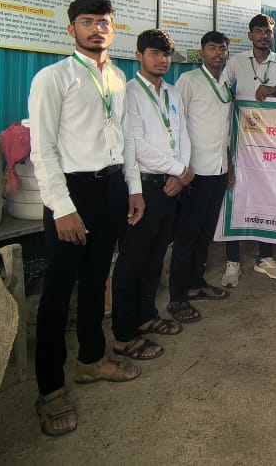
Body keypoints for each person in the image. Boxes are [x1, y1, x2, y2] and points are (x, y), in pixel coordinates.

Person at [28, 0, 144, 437]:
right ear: (71, 29)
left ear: (113, 28)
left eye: (104, 22)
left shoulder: (117, 77)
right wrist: (62, 208)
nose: (97, 28)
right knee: (58, 294)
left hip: (112, 188)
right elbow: (42, 150)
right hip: (73, 192)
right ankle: (50, 388)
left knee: (97, 282)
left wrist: (134, 188)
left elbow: (126, 138)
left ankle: (91, 361)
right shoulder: (53, 78)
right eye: (87, 21)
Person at [110, 30, 193, 362]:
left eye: (166, 54)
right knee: (132, 261)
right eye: (154, 53)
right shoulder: (129, 93)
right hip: (143, 187)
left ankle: (146, 316)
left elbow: (183, 135)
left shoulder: (172, 93)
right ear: (139, 55)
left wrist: (180, 175)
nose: (161, 60)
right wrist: (179, 169)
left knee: (156, 256)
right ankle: (124, 334)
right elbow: (135, 144)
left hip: (171, 184)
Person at [222, 13, 276, 285]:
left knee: (268, 194)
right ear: (250, 35)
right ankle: (232, 260)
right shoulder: (236, 62)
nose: (264, 36)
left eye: (269, 32)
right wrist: (231, 100)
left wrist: (275, 92)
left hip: (270, 142)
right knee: (234, 194)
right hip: (240, 140)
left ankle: (265, 257)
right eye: (259, 31)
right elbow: (221, 89)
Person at [167, 31, 234, 323]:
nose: (218, 53)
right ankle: (177, 297)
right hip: (194, 172)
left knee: (205, 234)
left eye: (222, 48)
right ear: (202, 52)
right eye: (212, 48)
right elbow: (175, 125)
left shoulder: (225, 84)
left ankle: (195, 285)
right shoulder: (189, 81)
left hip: (218, 170)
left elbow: (225, 130)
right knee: (187, 235)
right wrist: (179, 169)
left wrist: (229, 165)